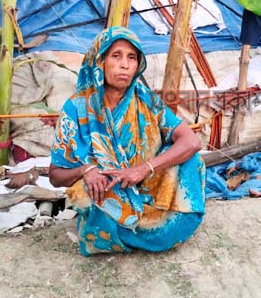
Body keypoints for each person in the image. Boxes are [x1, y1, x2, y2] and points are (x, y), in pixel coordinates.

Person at [49, 26, 206, 256]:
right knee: (85, 193)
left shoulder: (146, 100)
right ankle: (114, 233)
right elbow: (54, 176)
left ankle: (155, 230)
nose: (124, 65)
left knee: (192, 161)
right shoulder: (76, 108)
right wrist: (86, 170)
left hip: (147, 183)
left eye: (131, 58)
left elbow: (191, 141)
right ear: (99, 61)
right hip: (108, 191)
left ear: (137, 65)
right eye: (116, 56)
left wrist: (143, 169)